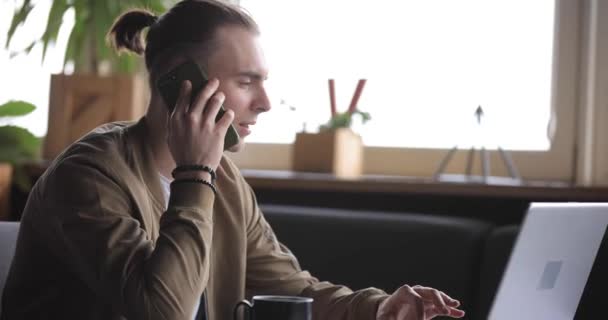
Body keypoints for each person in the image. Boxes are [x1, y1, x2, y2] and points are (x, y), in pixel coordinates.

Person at [1, 1, 466, 319]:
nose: (264, 102)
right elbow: (164, 311)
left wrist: (379, 308)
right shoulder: (90, 176)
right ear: (178, 81)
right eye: (247, 82)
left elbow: (290, 289)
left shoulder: (223, 181)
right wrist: (194, 174)